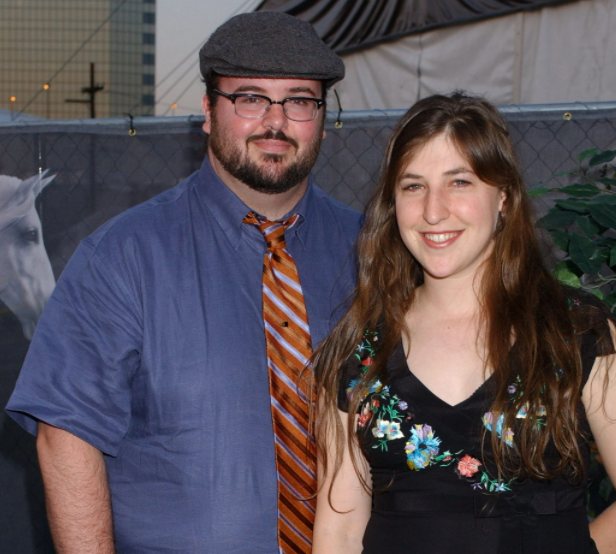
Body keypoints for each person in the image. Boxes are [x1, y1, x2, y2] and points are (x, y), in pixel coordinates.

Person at [6, 11, 362, 554]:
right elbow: (66, 434)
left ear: (321, 115)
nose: (275, 120)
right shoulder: (122, 257)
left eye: (299, 99)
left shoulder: (372, 252)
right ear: (207, 111)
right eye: (250, 97)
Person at [310, 93, 616, 554]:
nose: (432, 211)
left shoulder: (579, 334)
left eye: (459, 182)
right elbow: (339, 533)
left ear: (503, 196)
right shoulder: (357, 350)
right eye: (413, 186)